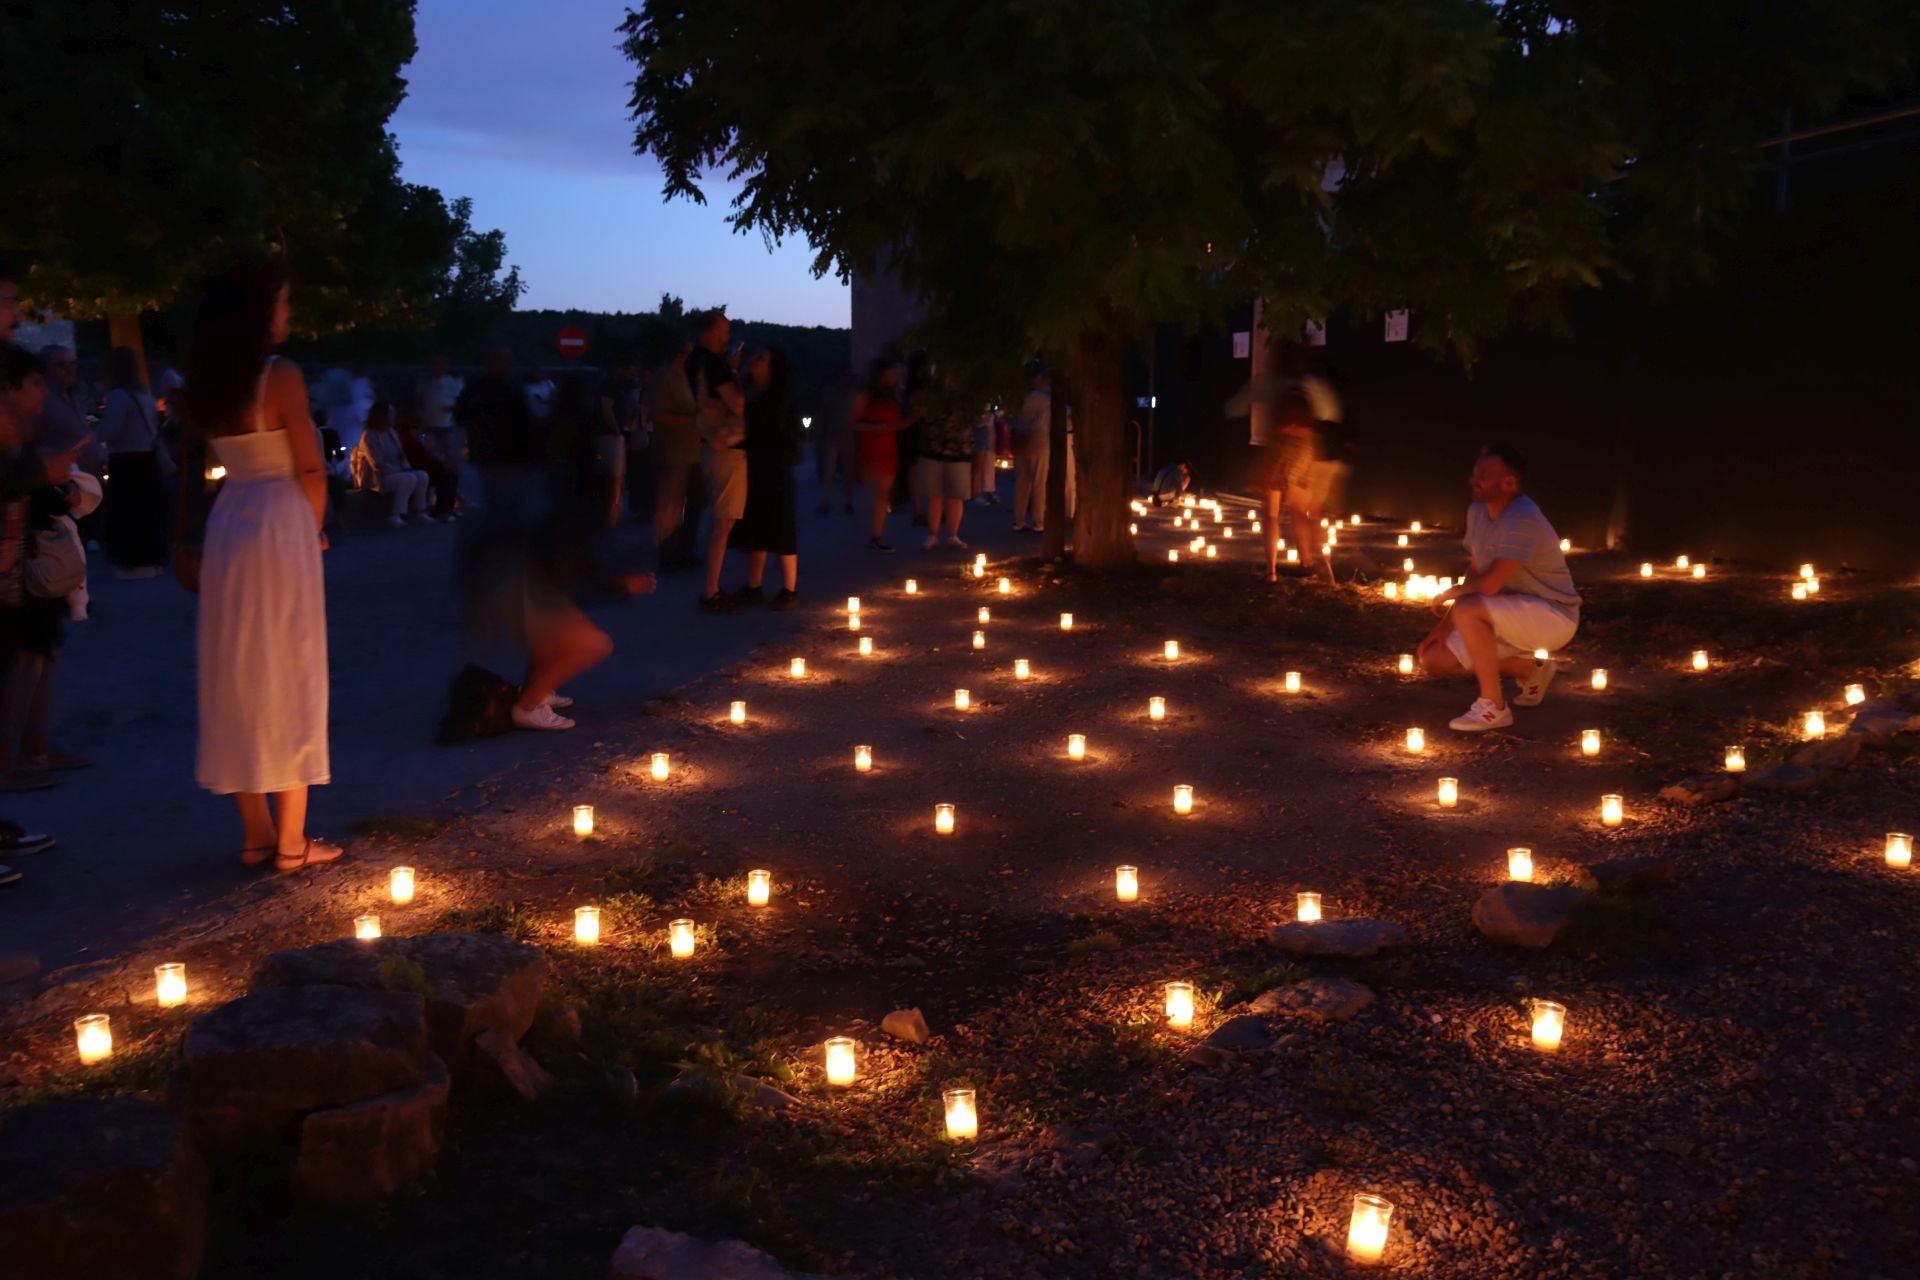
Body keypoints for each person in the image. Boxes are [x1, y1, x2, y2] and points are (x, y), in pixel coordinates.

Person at [182, 255, 340, 872]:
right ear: (258, 310)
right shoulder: (280, 376)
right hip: (280, 520)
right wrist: (314, 529)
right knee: (290, 665)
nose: (288, 311)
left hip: (231, 521)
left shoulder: (206, 381)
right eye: (282, 301)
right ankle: (294, 842)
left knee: (237, 669)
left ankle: (255, 834)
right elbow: (309, 466)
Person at [458, 348, 617, 729]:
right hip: (514, 577)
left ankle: (539, 688)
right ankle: (527, 705)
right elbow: (567, 547)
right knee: (594, 643)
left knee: (563, 624)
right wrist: (617, 580)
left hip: (514, 567)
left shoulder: (547, 464)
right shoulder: (572, 481)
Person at [1416, 445, 1582, 731]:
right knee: (1434, 658)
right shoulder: (1478, 512)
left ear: (1509, 483)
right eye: (1474, 473)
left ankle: (1493, 707)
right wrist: (1443, 627)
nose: (1473, 480)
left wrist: (1448, 594)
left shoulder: (1523, 517)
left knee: (1470, 606)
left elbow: (1489, 585)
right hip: (1505, 613)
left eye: (1483, 475)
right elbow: (1477, 570)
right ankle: (1531, 671)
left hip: (1553, 615)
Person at [728, 347, 801, 607]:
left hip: (776, 465)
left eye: (762, 359)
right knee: (754, 524)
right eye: (755, 356)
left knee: (781, 523)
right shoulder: (749, 391)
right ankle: (754, 586)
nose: (754, 360)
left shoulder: (779, 397)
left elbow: (767, 425)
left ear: (772, 369)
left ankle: (790, 589)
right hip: (754, 464)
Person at [689, 311, 750, 609]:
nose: (727, 337)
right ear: (713, 331)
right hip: (725, 445)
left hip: (707, 444)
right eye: (724, 330)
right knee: (723, 522)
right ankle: (711, 592)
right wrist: (735, 371)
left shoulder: (693, 361)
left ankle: (712, 588)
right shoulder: (713, 363)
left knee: (722, 519)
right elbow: (736, 403)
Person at [99, 346, 169, 578]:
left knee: (127, 512)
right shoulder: (145, 395)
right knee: (147, 510)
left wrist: (94, 433)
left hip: (125, 460)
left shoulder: (119, 396)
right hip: (146, 459)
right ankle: (151, 559)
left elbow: (111, 432)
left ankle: (131, 562)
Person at [648, 341, 702, 570]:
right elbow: (656, 414)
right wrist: (690, 420)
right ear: (678, 354)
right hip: (672, 452)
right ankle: (668, 555)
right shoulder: (664, 378)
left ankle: (684, 551)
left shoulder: (687, 378)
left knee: (696, 501)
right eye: (687, 353)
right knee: (671, 505)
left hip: (691, 452)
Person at [851, 358, 907, 553]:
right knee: (876, 494)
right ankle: (872, 534)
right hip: (871, 448)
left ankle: (876, 535)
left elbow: (897, 422)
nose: (894, 377)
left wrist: (911, 419)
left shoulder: (893, 397)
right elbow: (853, 423)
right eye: (890, 374)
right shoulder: (865, 397)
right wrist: (875, 427)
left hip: (888, 448)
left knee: (883, 495)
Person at [352, 401, 434, 525]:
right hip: (378, 476)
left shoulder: (391, 433)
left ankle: (420, 512)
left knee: (422, 475)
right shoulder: (369, 435)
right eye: (390, 414)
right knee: (408, 478)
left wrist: (405, 467)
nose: (393, 417)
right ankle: (395, 515)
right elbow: (376, 463)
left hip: (396, 470)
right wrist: (396, 470)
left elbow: (401, 456)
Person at [915, 383, 972, 551]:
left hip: (958, 449)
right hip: (933, 448)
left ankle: (953, 535)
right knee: (935, 494)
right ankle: (933, 534)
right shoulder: (931, 392)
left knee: (955, 494)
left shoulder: (966, 393)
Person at [594, 355, 639, 530]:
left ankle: (611, 515)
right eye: (629, 369)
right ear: (619, 368)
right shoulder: (609, 385)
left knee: (615, 478)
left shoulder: (617, 385)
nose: (632, 373)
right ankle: (610, 518)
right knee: (614, 477)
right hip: (609, 436)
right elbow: (607, 410)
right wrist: (618, 432)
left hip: (613, 435)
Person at [1009, 363, 1050, 532]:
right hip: (1039, 441)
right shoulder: (1045, 399)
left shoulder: (1019, 397)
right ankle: (1039, 520)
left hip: (1020, 440)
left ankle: (1018, 520)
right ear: (1038, 379)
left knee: (1022, 482)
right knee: (1039, 482)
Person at [812, 365, 858, 516]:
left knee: (848, 472)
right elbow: (821, 416)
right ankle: (827, 501)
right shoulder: (829, 394)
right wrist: (819, 436)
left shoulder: (852, 394)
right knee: (829, 471)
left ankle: (848, 502)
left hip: (847, 437)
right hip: (832, 437)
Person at [970, 404, 1000, 506]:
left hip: (987, 436)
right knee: (978, 466)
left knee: (986, 465)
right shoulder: (979, 407)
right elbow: (979, 421)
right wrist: (992, 416)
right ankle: (975, 494)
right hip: (981, 434)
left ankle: (986, 491)